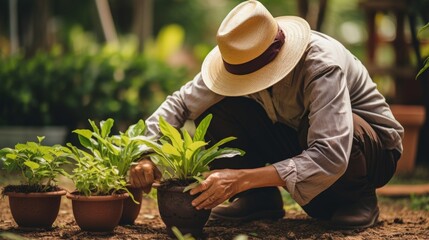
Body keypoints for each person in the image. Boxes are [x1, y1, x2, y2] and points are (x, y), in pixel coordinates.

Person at [129, 0, 403, 229]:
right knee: (214, 109)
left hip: (366, 152)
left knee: (327, 129)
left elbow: (331, 151)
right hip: (300, 138)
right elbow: (181, 103)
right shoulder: (240, 54)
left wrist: (239, 179)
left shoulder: (321, 65)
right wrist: (144, 153)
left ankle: (357, 199)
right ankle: (258, 200)